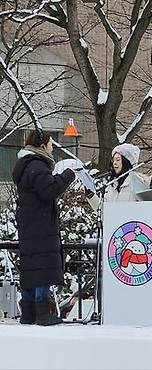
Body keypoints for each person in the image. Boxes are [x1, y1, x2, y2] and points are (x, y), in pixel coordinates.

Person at [12, 129, 76, 326]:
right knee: (42, 266)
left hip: (29, 224)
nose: (51, 148)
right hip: (41, 225)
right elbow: (50, 190)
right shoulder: (38, 165)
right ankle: (42, 311)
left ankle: (28, 311)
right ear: (42, 146)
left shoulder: (25, 165)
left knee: (31, 265)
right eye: (50, 144)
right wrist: (68, 175)